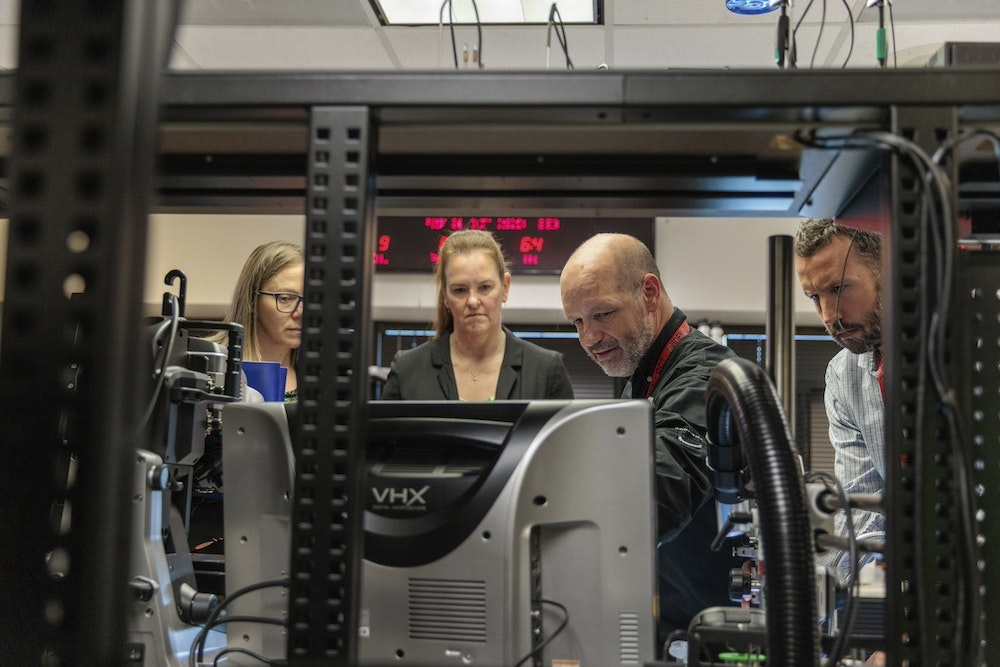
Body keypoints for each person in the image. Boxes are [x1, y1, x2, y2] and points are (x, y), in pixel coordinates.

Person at [559, 232, 743, 646]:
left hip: (714, 635)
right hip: (667, 628)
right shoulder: (641, 380)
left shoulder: (705, 377)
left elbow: (656, 495)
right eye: (577, 322)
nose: (589, 338)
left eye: (602, 314)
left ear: (649, 292)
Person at [380, 229, 574, 401]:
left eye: (484, 287)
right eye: (460, 290)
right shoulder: (407, 371)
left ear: (505, 287)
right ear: (445, 296)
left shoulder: (546, 371)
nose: (473, 301)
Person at [793, 218, 885, 565]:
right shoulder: (843, 375)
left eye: (840, 288)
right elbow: (863, 512)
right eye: (815, 297)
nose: (829, 316)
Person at [214, 240, 304, 402]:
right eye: (285, 299)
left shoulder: (325, 376)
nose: (300, 313)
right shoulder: (211, 365)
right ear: (252, 301)